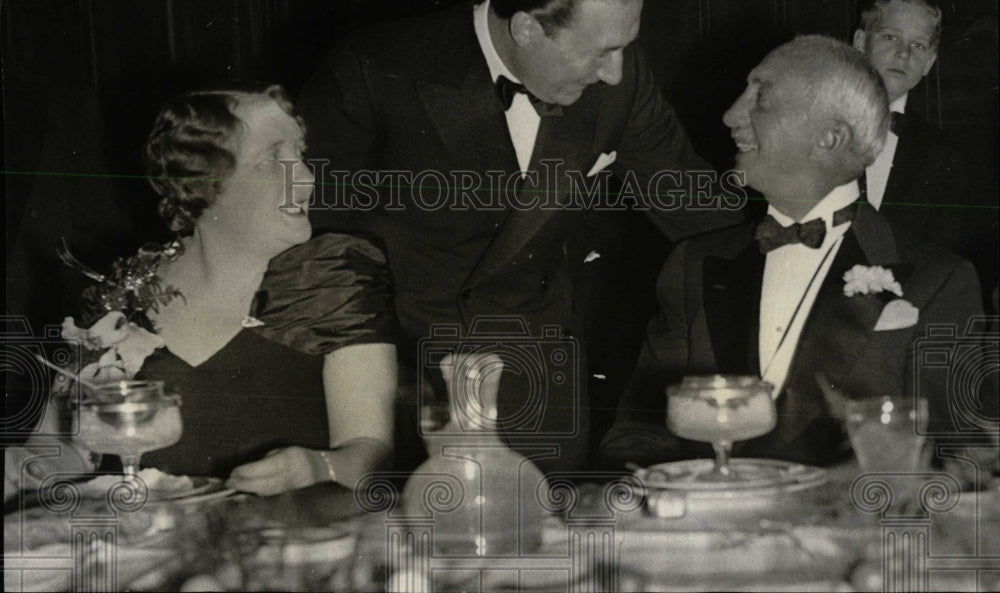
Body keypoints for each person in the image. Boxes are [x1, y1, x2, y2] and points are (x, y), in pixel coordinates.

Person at [296, 0, 743, 473]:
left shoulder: (620, 81)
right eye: (602, 53)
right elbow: (318, 248)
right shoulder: (372, 68)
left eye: (625, 49)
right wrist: (362, 420)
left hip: (536, 390)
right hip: (394, 387)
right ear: (527, 27)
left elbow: (701, 213)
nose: (615, 73)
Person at [600, 36, 996, 479]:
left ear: (829, 138)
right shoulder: (692, 264)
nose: (731, 116)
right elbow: (639, 432)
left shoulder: (937, 282)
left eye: (761, 98)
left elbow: (956, 459)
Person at [5, 84, 398, 498]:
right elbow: (62, 450)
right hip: (151, 551)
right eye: (272, 160)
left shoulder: (332, 275)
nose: (304, 175)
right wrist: (19, 469)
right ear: (203, 184)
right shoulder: (121, 298)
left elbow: (372, 456)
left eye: (299, 154)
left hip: (291, 548)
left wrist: (320, 466)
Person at [852, 0, 991, 285]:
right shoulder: (814, 128)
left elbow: (944, 259)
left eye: (918, 46)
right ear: (860, 42)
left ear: (929, 62)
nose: (903, 54)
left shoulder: (945, 155)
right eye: (890, 37)